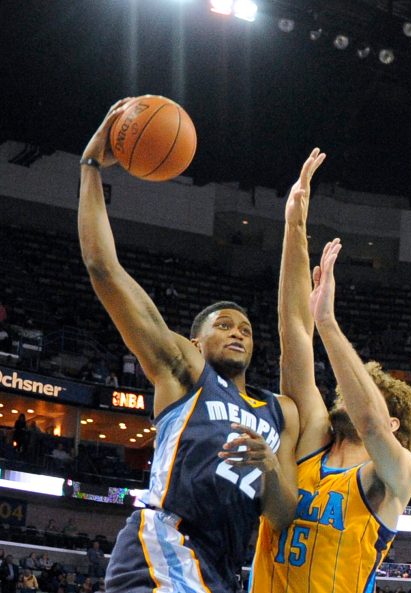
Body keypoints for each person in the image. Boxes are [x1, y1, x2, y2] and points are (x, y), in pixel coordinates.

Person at [78, 99, 299, 593]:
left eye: (245, 327)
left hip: (220, 569)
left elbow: (283, 515)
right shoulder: (185, 371)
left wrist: (268, 471)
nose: (239, 331)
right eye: (224, 325)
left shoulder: (281, 411)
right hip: (164, 545)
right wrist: (91, 167)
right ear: (196, 340)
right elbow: (103, 269)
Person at [245, 150, 411, 593]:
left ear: (395, 420)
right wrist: (294, 226)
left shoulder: (395, 477)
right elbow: (294, 341)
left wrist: (328, 322)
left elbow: (372, 425)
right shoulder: (310, 448)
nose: (341, 397)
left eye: (356, 392)